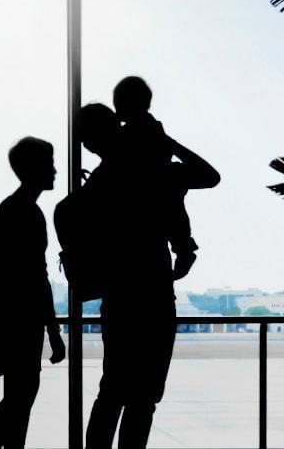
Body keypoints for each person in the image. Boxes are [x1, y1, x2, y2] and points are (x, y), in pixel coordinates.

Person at [83, 77, 220, 449]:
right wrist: (167, 143)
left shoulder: (110, 172)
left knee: (112, 389)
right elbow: (209, 177)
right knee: (144, 396)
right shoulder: (158, 166)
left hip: (120, 289)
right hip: (155, 287)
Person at [0, 136, 67, 449]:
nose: (56, 170)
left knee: (15, 399)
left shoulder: (10, 209)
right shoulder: (28, 213)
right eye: (50, 163)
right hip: (23, 323)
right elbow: (37, 279)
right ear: (33, 169)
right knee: (21, 398)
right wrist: (54, 331)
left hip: (11, 320)